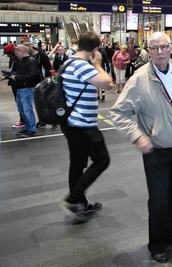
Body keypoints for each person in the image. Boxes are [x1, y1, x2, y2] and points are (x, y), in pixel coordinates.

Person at [110, 32, 172, 263]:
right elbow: (119, 113)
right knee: (159, 199)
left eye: (164, 47)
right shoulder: (139, 79)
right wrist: (138, 136)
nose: (159, 52)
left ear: (171, 49)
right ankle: (157, 243)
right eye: (154, 48)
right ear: (148, 50)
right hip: (156, 148)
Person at [59, 31, 113, 222]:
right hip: (83, 124)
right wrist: (98, 64)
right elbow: (108, 84)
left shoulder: (68, 61)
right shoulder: (82, 66)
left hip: (70, 122)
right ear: (95, 49)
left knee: (78, 163)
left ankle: (79, 204)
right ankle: (73, 199)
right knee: (102, 161)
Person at [0, 45, 41, 137]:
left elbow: (33, 75)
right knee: (22, 109)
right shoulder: (22, 61)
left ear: (21, 51)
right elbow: (17, 72)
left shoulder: (30, 61)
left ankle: (31, 129)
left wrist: (17, 77)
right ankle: (28, 128)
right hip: (21, 88)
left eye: (16, 52)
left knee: (27, 110)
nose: (15, 54)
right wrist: (7, 76)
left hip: (27, 88)